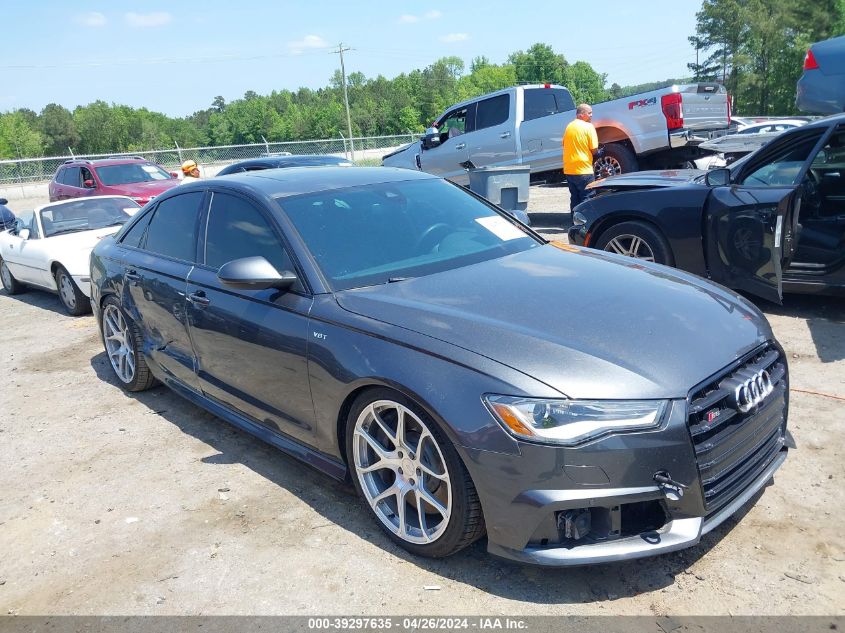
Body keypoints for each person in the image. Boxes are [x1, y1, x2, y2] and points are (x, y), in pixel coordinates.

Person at [562, 103, 601, 212]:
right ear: (582, 114)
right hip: (583, 170)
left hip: (569, 170)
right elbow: (594, 150)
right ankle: (585, 225)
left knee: (575, 198)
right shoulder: (589, 127)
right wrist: (600, 153)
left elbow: (564, 144)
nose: (592, 115)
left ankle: (575, 223)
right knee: (587, 198)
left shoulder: (569, 126)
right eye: (589, 113)